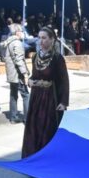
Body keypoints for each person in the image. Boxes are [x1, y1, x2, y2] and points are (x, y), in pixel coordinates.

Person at [21, 27, 69, 158]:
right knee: (33, 130)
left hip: (50, 100)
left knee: (47, 131)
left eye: (44, 38)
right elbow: (34, 75)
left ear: (52, 40)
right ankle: (32, 160)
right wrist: (30, 80)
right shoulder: (35, 57)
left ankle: (46, 160)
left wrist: (64, 102)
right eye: (39, 37)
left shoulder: (58, 59)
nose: (40, 41)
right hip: (36, 99)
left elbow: (64, 81)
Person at [2, 24, 29, 123]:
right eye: (22, 31)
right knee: (26, 95)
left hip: (11, 74)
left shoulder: (8, 42)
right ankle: (28, 119)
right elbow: (19, 60)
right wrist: (25, 74)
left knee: (13, 95)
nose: (23, 33)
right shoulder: (17, 43)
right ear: (17, 32)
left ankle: (13, 117)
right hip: (18, 75)